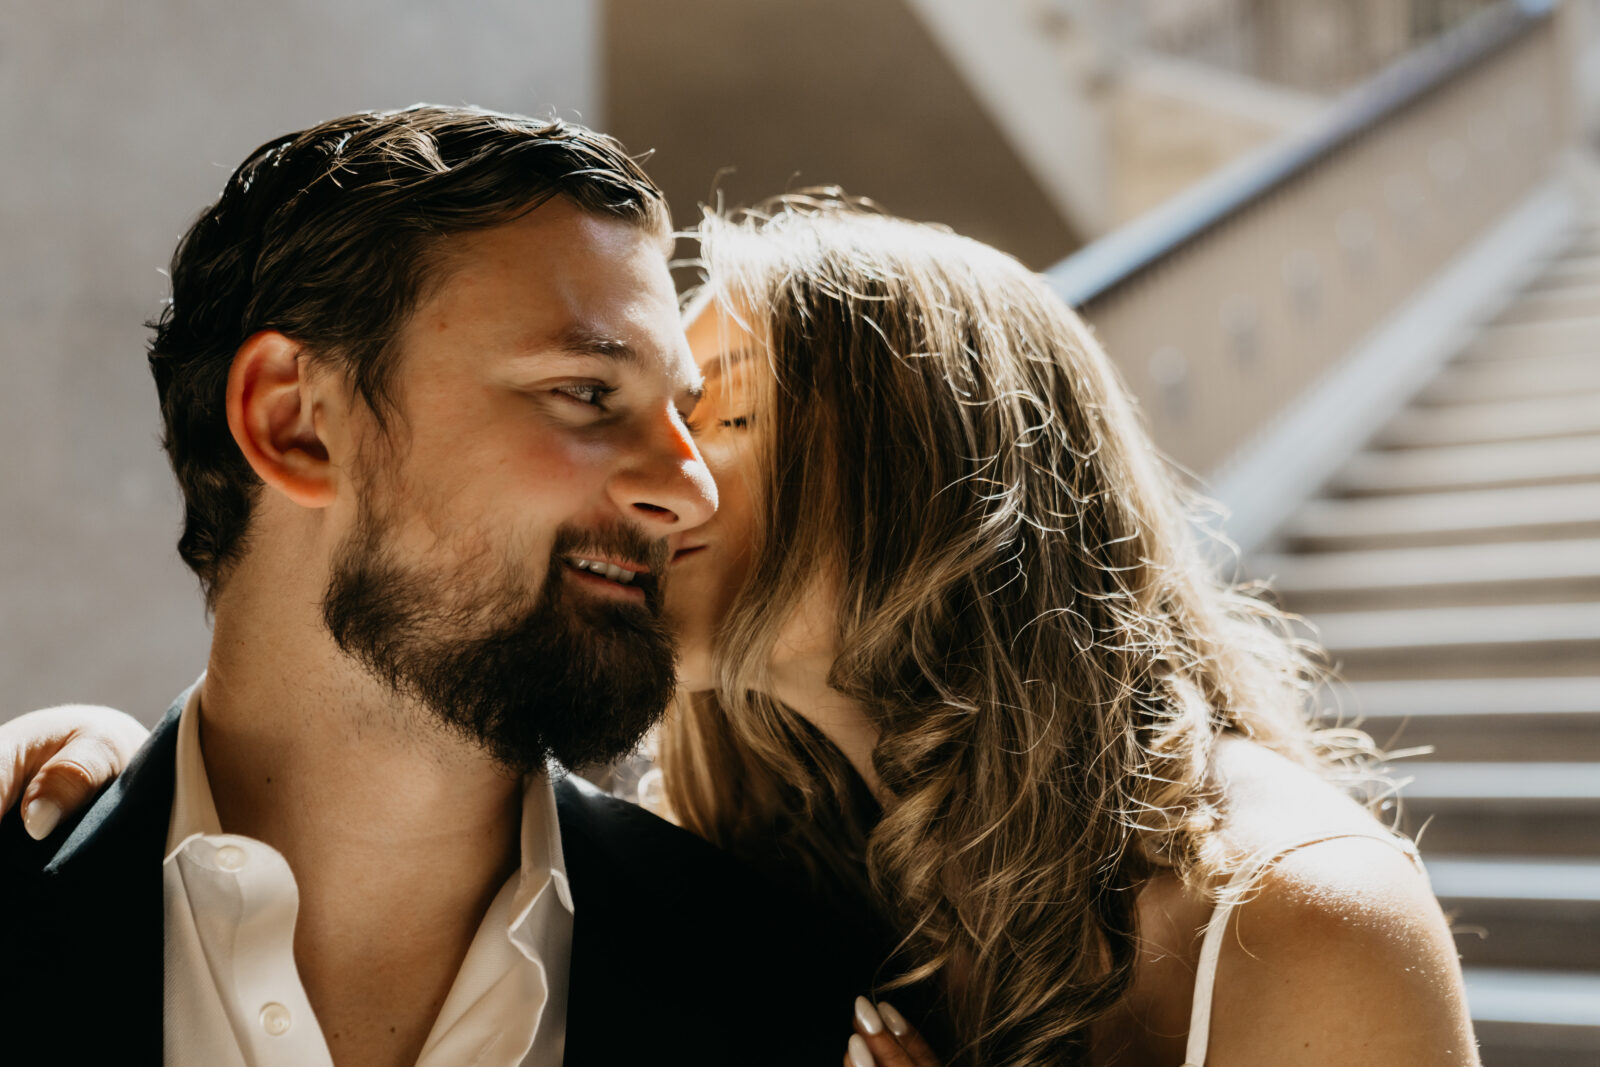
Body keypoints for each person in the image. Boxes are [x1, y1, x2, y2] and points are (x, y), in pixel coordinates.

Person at [4, 196, 1479, 1066]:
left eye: (723, 418)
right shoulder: (756, 865)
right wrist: (127, 786)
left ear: (926, 471)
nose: (654, 483)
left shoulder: (1296, 922)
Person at [0, 107, 875, 1066]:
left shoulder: (793, 1003)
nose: (691, 489)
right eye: (586, 391)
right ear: (297, 422)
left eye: (687, 417)